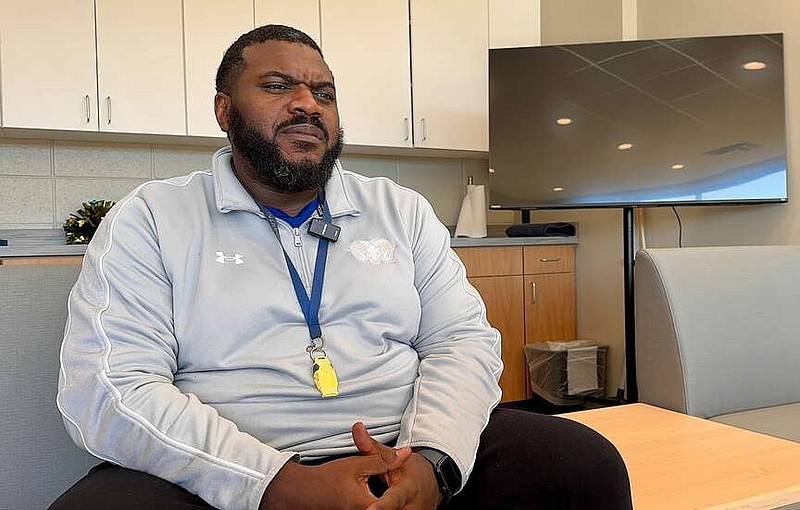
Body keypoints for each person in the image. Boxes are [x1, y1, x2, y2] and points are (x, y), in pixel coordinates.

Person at [51, 24, 632, 510]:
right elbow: (111, 388)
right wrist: (274, 483)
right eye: (278, 86)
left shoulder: (398, 209)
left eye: (323, 93)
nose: (306, 103)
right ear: (224, 112)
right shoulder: (152, 218)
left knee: (583, 464)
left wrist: (432, 462)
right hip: (237, 457)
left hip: (403, 442)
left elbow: (462, 341)